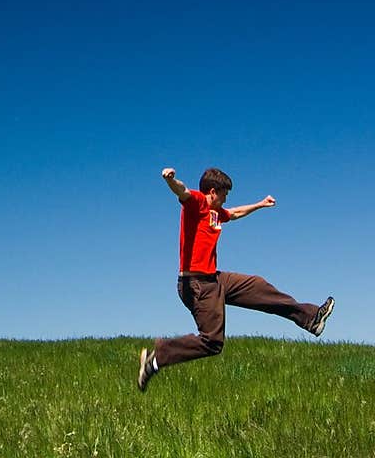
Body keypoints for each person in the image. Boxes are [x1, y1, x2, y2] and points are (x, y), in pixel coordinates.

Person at [138, 165, 335, 391]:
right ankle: (156, 359)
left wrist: (260, 204)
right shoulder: (198, 203)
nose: (226, 198)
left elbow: (235, 213)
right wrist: (170, 179)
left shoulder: (216, 212)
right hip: (196, 285)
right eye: (224, 194)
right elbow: (181, 191)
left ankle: (311, 318)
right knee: (212, 342)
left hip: (214, 279)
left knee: (257, 286)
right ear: (212, 191)